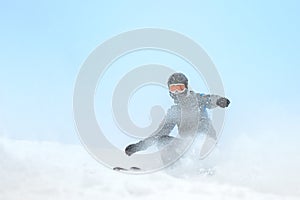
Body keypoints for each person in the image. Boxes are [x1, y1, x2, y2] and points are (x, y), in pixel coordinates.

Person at [125, 72, 230, 157]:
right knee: (162, 141)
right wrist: (140, 146)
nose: (177, 92)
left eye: (180, 88)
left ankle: (206, 167)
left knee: (200, 138)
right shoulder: (174, 112)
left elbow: (209, 99)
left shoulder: (197, 99)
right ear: (170, 91)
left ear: (186, 88)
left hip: (205, 143)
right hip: (186, 147)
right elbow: (160, 133)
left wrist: (219, 100)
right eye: (173, 89)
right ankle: (175, 170)